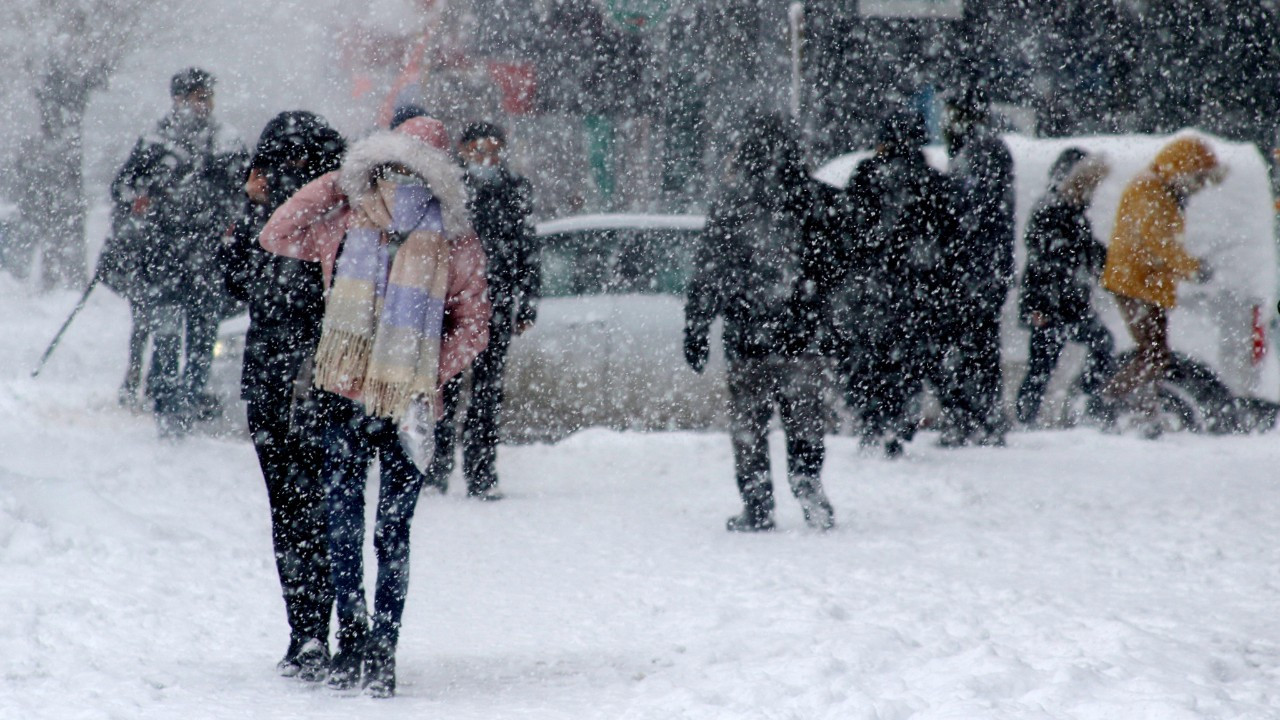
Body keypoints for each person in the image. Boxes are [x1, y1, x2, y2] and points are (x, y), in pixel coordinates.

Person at [260, 116, 490, 698]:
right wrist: (341, 182)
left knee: (359, 526)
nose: (396, 176)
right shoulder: (365, 222)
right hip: (372, 402)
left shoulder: (424, 233)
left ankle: (367, 642)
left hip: (381, 403)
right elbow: (277, 232)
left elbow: (475, 326)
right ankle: (373, 645)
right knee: (380, 530)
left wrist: (418, 373)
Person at [222, 111, 346, 681]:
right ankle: (309, 631)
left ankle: (322, 628)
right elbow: (232, 281)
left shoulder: (339, 218)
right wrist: (248, 207)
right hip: (282, 384)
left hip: (319, 382)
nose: (289, 172)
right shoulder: (268, 220)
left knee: (315, 512)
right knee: (298, 513)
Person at [683, 113, 835, 533]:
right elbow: (836, 269)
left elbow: (709, 273)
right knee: (804, 424)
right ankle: (808, 487)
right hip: (801, 337)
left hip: (748, 337)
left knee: (749, 429)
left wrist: (696, 327)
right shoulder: (814, 200)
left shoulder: (732, 204)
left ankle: (757, 505)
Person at [111, 68, 248, 435]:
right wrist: (139, 198)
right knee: (168, 336)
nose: (203, 104)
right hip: (163, 257)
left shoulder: (226, 141)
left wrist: (232, 220)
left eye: (207, 97)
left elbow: (244, 193)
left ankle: (187, 406)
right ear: (178, 100)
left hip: (206, 258)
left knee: (203, 339)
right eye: (196, 97)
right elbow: (122, 187)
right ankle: (167, 407)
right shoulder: (154, 142)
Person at [424, 122, 539, 500]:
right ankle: (436, 468)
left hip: (497, 304)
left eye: (494, 150)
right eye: (479, 150)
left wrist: (528, 302)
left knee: (487, 393)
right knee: (445, 389)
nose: (487, 158)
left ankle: (481, 473)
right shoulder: (448, 189)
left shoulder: (515, 190)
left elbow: (527, 247)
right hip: (452, 305)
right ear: (463, 149)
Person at [838, 109, 956, 458]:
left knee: (868, 359)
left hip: (871, 289)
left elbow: (847, 229)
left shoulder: (865, 175)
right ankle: (899, 425)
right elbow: (949, 239)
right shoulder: (932, 181)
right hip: (917, 290)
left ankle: (871, 422)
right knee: (909, 361)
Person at [1099, 135, 1225, 438]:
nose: (1199, 187)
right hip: (1136, 284)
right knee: (1154, 355)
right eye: (1198, 179)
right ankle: (1108, 401)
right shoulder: (1150, 190)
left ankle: (1143, 411)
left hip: (1146, 284)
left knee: (1154, 354)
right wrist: (1193, 269)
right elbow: (1160, 245)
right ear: (1183, 170)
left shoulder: (1161, 189)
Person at [1014, 148, 1115, 427]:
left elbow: (1087, 252)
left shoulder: (1073, 212)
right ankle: (1030, 418)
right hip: (1050, 306)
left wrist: (1111, 262)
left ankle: (1082, 399)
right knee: (1042, 367)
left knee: (1095, 345)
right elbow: (1044, 261)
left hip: (1069, 305)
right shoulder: (1051, 209)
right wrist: (1039, 308)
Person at [940, 87, 1016, 447]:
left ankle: (975, 420)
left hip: (975, 271)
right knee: (978, 346)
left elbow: (972, 210)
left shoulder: (981, 151)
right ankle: (978, 418)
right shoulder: (986, 149)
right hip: (982, 269)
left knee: (973, 346)